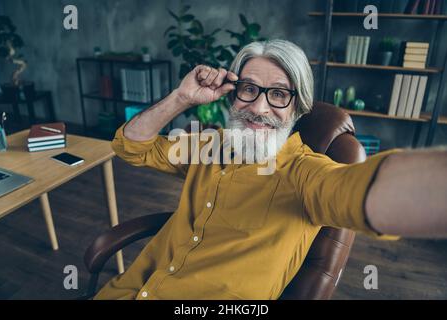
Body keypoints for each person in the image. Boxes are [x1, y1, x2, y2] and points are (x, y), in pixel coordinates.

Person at [94, 39, 447, 300]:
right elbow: (131, 146)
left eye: (279, 94)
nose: (259, 107)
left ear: (299, 107)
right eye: (249, 89)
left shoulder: (304, 173)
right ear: (232, 95)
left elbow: (358, 191)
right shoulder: (207, 145)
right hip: (126, 291)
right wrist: (182, 98)